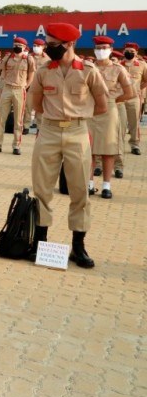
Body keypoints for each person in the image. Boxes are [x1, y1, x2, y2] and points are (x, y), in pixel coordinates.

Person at [28, 23, 109, 268]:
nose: (48, 49)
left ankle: (78, 247)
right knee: (42, 189)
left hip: (77, 133)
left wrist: (78, 117)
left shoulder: (88, 71)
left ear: (70, 44)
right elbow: (37, 103)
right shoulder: (44, 71)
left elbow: (102, 104)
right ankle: (40, 243)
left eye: (54, 45)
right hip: (49, 132)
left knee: (79, 192)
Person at [88, 36, 135, 199]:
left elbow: (130, 93)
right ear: (94, 49)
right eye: (98, 48)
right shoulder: (88, 67)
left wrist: (113, 100)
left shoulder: (118, 69)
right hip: (90, 109)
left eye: (104, 48)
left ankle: (106, 185)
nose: (101, 51)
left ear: (110, 49)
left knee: (109, 149)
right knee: (89, 148)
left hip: (109, 109)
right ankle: (90, 183)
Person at [0, 37, 35, 156]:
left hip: (19, 89)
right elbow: (0, 69)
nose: (16, 46)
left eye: (19, 45)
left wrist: (26, 85)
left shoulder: (28, 59)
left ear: (24, 47)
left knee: (18, 120)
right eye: (15, 44)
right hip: (7, 88)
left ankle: (16, 145)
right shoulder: (8, 58)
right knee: (0, 118)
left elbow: (31, 73)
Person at [120, 42, 145, 155]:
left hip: (134, 98)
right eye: (127, 51)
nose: (129, 53)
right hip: (120, 98)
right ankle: (118, 145)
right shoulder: (119, 65)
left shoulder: (142, 65)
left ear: (136, 53)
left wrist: (139, 89)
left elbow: (146, 80)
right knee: (119, 123)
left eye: (132, 51)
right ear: (123, 52)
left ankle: (135, 144)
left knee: (134, 122)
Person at [23, 38, 51, 132]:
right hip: (30, 86)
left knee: (40, 108)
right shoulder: (28, 57)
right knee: (28, 107)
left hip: (42, 86)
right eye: (34, 46)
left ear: (43, 47)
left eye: (38, 46)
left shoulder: (48, 58)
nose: (36, 48)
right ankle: (26, 126)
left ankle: (39, 127)